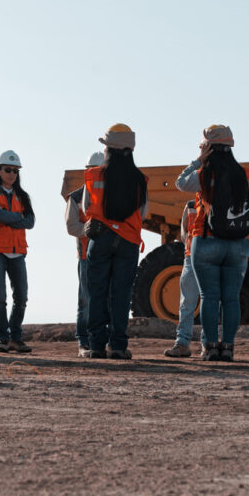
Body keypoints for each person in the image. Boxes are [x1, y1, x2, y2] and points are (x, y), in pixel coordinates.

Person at [176, 125, 249, 362]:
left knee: (210, 297)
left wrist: (197, 160)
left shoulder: (203, 173)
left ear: (208, 147)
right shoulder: (246, 174)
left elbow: (180, 183)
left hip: (206, 241)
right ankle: (229, 347)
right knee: (231, 298)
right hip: (237, 244)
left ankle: (211, 347)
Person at [83, 123, 148, 360]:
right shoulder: (140, 179)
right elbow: (144, 211)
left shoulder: (93, 176)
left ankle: (96, 346)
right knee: (121, 294)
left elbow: (86, 206)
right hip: (128, 240)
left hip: (100, 237)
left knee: (97, 292)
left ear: (108, 149)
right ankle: (118, 346)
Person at [0, 150, 35, 353]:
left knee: (21, 297)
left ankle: (15, 338)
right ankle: (3, 339)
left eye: (15, 170)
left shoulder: (22, 196)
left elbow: (31, 222)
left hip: (17, 251)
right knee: (0, 297)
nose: (12, 173)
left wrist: (10, 217)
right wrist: (17, 218)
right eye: (8, 169)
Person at [65, 151, 105, 357]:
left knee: (106, 299)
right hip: (86, 257)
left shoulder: (112, 194)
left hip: (108, 255)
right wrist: (88, 229)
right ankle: (84, 341)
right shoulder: (76, 197)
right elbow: (72, 226)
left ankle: (100, 340)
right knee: (87, 301)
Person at [164, 199, 200, 358]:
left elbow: (185, 231)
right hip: (193, 256)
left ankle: (188, 343)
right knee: (188, 302)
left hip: (200, 257)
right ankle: (183, 343)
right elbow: (185, 231)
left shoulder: (193, 205)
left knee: (191, 302)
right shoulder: (191, 205)